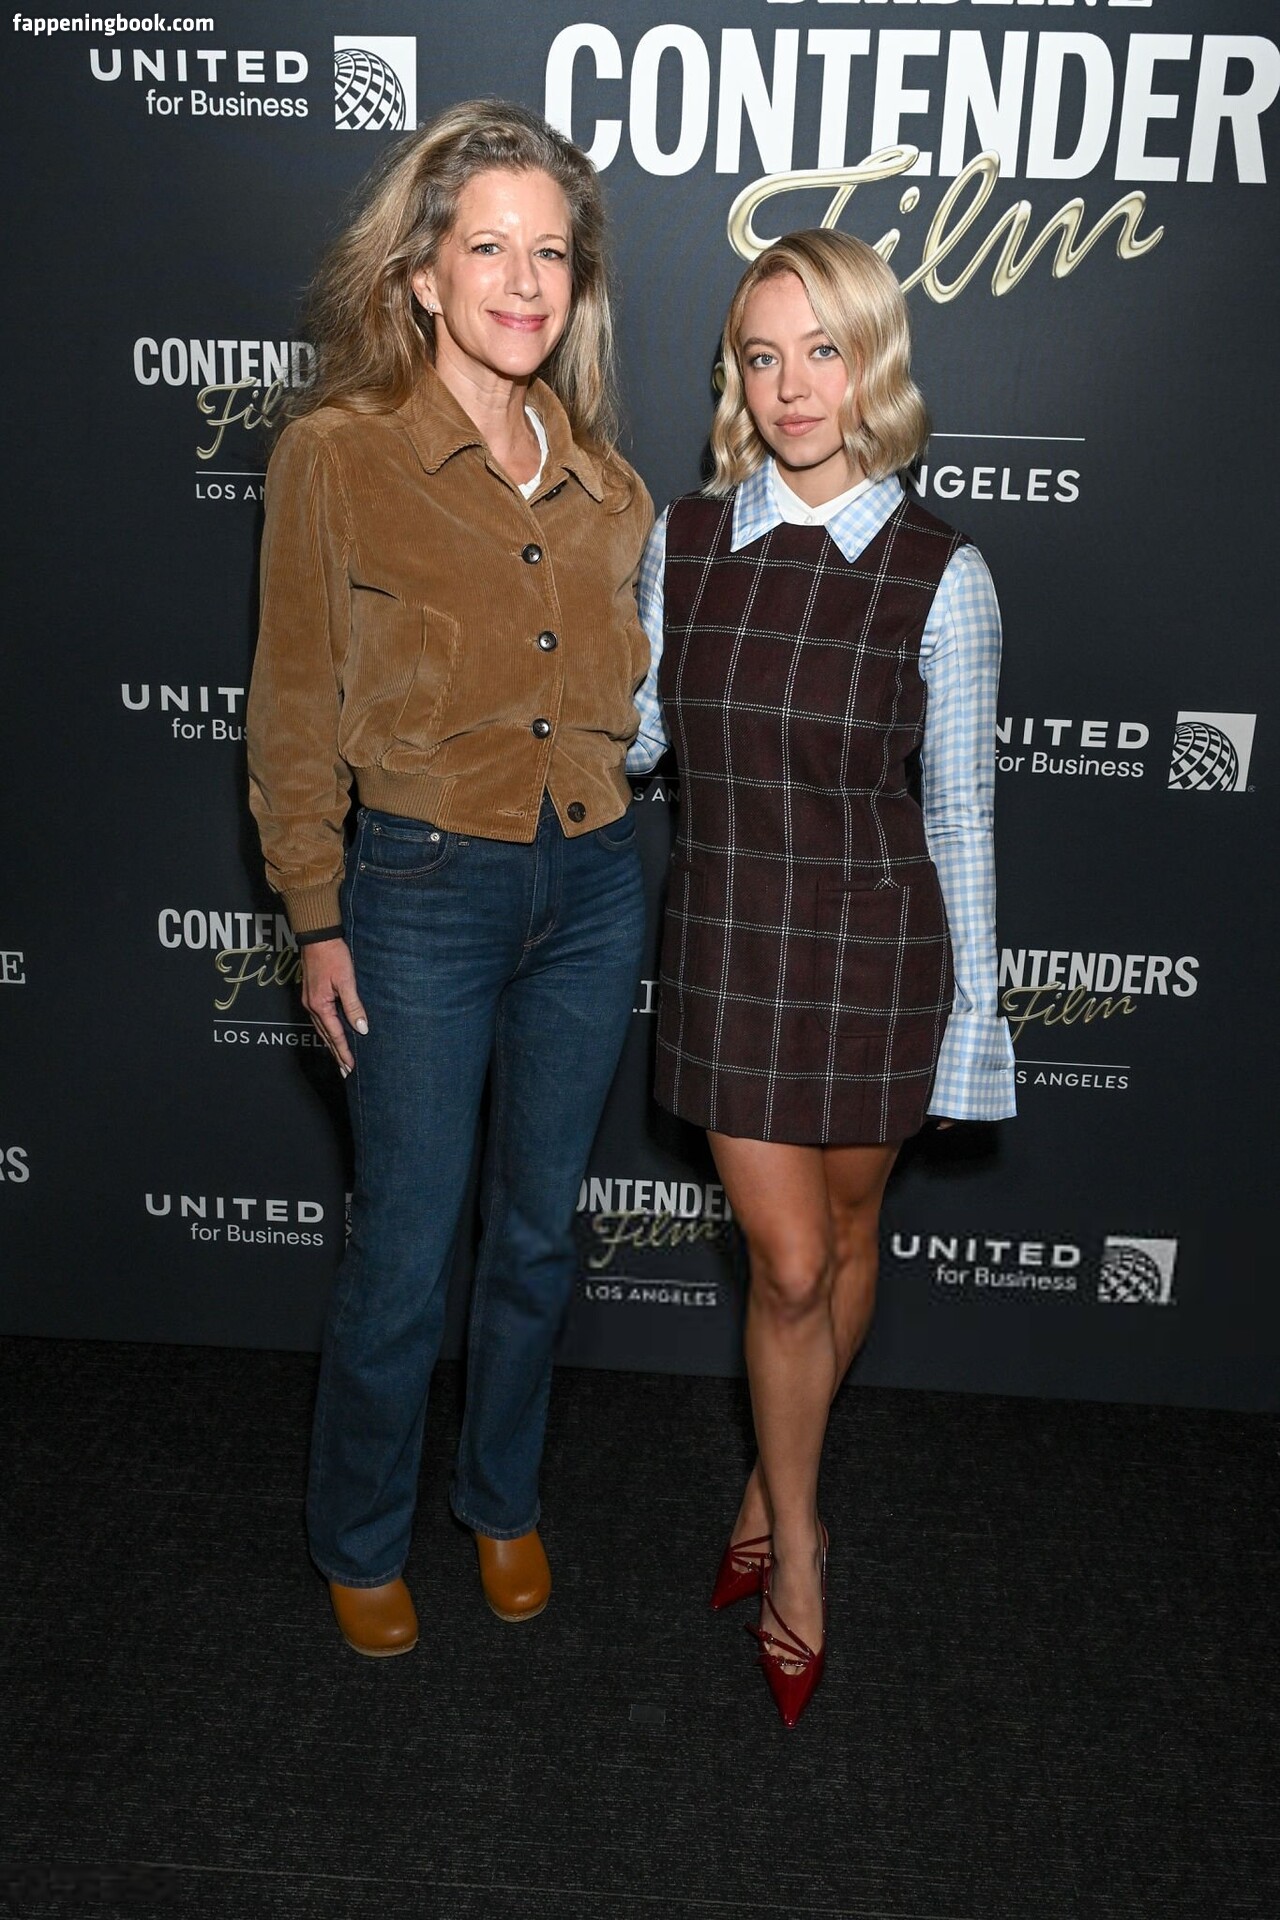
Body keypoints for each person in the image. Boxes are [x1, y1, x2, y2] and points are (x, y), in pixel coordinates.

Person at [246, 101, 652, 1656]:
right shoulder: (337, 456)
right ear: (421, 275)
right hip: (417, 897)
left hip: (593, 890)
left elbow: (626, 708)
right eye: (489, 248)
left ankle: (501, 1496)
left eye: (551, 253)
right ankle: (359, 1533)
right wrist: (315, 913)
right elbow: (294, 710)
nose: (524, 281)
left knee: (538, 1237)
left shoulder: (609, 486)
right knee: (407, 1252)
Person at [629, 231, 1016, 1725]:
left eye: (822, 352)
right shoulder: (683, 542)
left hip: (878, 952)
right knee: (790, 1266)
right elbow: (638, 738)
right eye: (761, 356)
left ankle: (762, 1477)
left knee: (851, 1241)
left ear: (873, 365)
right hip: (731, 946)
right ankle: (802, 1541)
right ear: (734, 377)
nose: (792, 387)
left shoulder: (943, 575)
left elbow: (961, 812)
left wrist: (975, 1018)